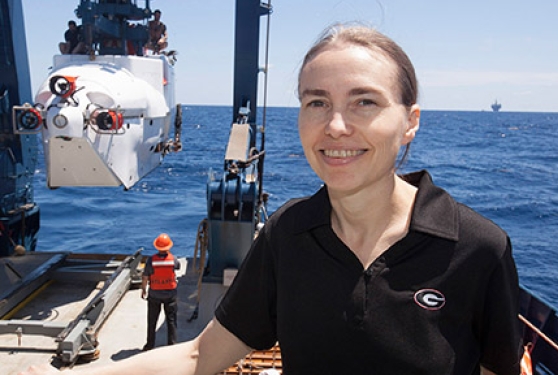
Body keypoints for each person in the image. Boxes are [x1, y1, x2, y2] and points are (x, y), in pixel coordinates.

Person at [18, 24, 522, 375]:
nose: (336, 126)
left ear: (411, 120)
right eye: (316, 102)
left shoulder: (476, 247)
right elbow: (199, 357)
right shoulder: (289, 234)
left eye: (364, 101)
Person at [141, 233, 181, 351]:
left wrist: (143, 289)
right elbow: (177, 267)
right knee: (172, 321)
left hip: (154, 294)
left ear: (157, 247)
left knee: (152, 321)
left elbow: (145, 276)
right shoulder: (173, 259)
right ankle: (172, 345)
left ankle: (149, 345)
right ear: (169, 247)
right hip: (170, 294)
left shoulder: (151, 261)